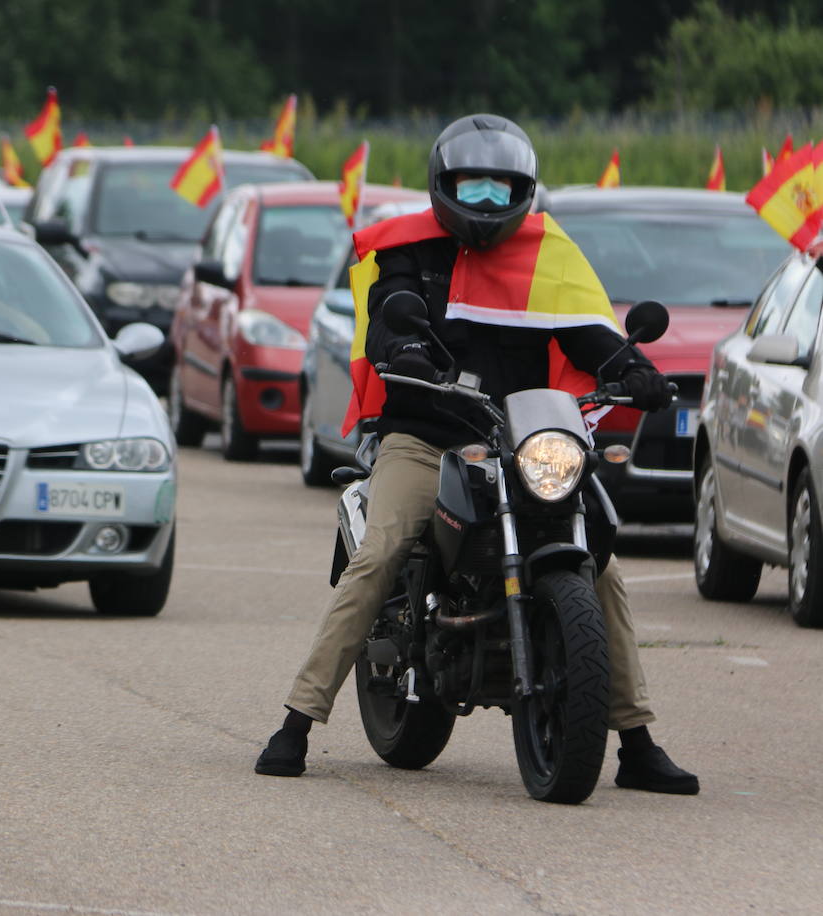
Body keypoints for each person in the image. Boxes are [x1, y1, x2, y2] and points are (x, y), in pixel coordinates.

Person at [255, 114, 698, 795]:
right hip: (425, 439)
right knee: (380, 553)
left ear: (523, 192)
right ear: (444, 186)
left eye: (501, 189)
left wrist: (636, 369)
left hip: (521, 441)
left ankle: (635, 741)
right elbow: (391, 310)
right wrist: (404, 348)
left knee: (601, 566)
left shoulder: (544, 254)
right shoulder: (409, 250)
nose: (488, 202)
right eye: (473, 188)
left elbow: (589, 335)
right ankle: (297, 722)